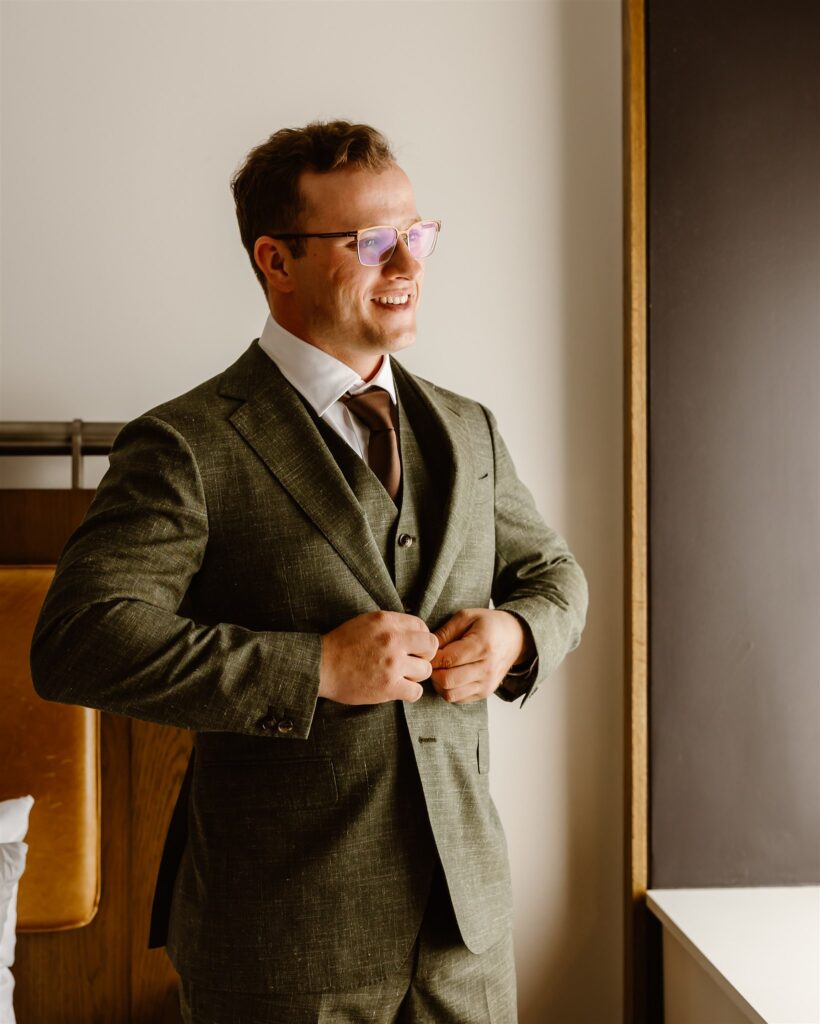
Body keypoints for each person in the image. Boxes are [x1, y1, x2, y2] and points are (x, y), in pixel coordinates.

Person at [30, 120, 588, 1024]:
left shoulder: (469, 429)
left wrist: (519, 635)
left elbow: (556, 575)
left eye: (417, 231)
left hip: (465, 941)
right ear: (275, 261)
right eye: (369, 241)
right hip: (280, 946)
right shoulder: (187, 444)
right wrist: (316, 669)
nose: (406, 260)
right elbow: (79, 642)